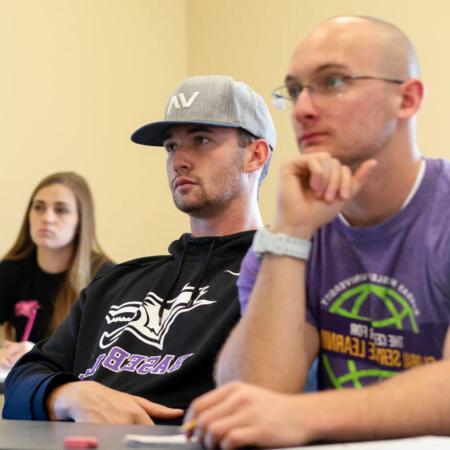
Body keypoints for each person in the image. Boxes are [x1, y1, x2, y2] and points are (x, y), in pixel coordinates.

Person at [184, 16, 450, 449]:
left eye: (332, 82)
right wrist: (290, 232)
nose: (303, 108)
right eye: (294, 90)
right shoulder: (289, 236)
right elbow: (253, 395)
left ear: (407, 98)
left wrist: (302, 415)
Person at [2, 75, 276, 425]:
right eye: (172, 147)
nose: (179, 161)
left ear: (256, 155)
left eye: (201, 140)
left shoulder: (278, 277)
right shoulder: (119, 282)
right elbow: (23, 380)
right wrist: (69, 395)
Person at [0, 172, 111, 369]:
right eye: (39, 207)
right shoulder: (11, 270)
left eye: (61, 210)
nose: (47, 218)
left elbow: (105, 356)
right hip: (23, 386)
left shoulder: (107, 277)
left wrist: (36, 354)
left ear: (80, 222)